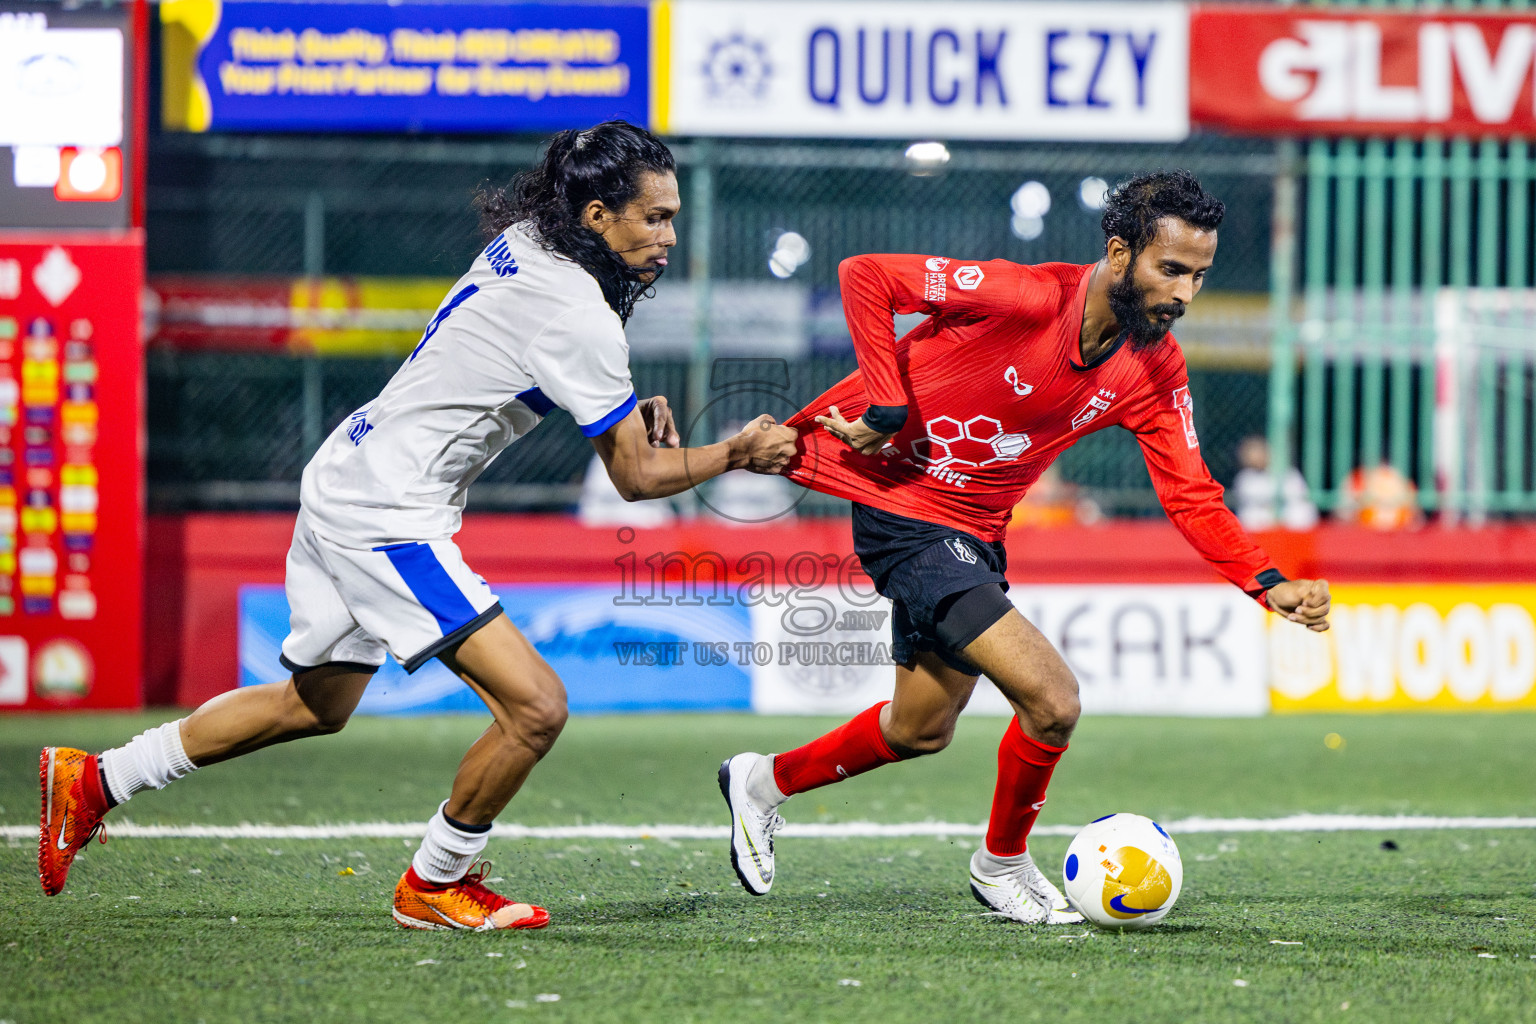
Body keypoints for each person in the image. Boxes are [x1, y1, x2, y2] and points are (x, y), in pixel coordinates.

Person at [40, 121, 798, 930]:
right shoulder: (580, 311)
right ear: (596, 218)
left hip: (348, 470)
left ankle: (97, 780)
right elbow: (637, 476)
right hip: (386, 512)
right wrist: (737, 453)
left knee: (313, 706)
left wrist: (624, 417)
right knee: (536, 707)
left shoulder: (527, 242)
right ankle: (436, 881)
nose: (670, 237)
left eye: (673, 216)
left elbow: (521, 359)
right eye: (654, 217)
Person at [718, 171, 1332, 924]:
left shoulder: (1153, 368)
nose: (1184, 294)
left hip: (975, 533)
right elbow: (866, 276)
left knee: (920, 728)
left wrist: (1266, 580)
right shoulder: (1028, 295)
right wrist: (886, 399)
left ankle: (760, 782)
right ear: (1118, 254)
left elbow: (1191, 492)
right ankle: (1000, 868)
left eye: (1199, 276)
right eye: (1170, 269)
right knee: (1054, 701)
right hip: (903, 510)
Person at [1230, 434, 1318, 531]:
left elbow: (1299, 499)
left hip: (1290, 525)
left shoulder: (1289, 474)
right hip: (1259, 526)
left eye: (1259, 452)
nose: (1256, 457)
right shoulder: (1244, 478)